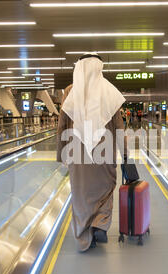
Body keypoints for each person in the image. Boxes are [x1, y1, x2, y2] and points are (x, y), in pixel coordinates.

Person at [57, 53, 127, 252]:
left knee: (80, 195)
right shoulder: (109, 90)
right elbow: (119, 127)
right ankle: (100, 223)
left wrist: (60, 153)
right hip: (104, 152)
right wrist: (126, 154)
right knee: (106, 189)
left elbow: (62, 124)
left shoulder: (70, 91)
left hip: (77, 153)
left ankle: (84, 237)